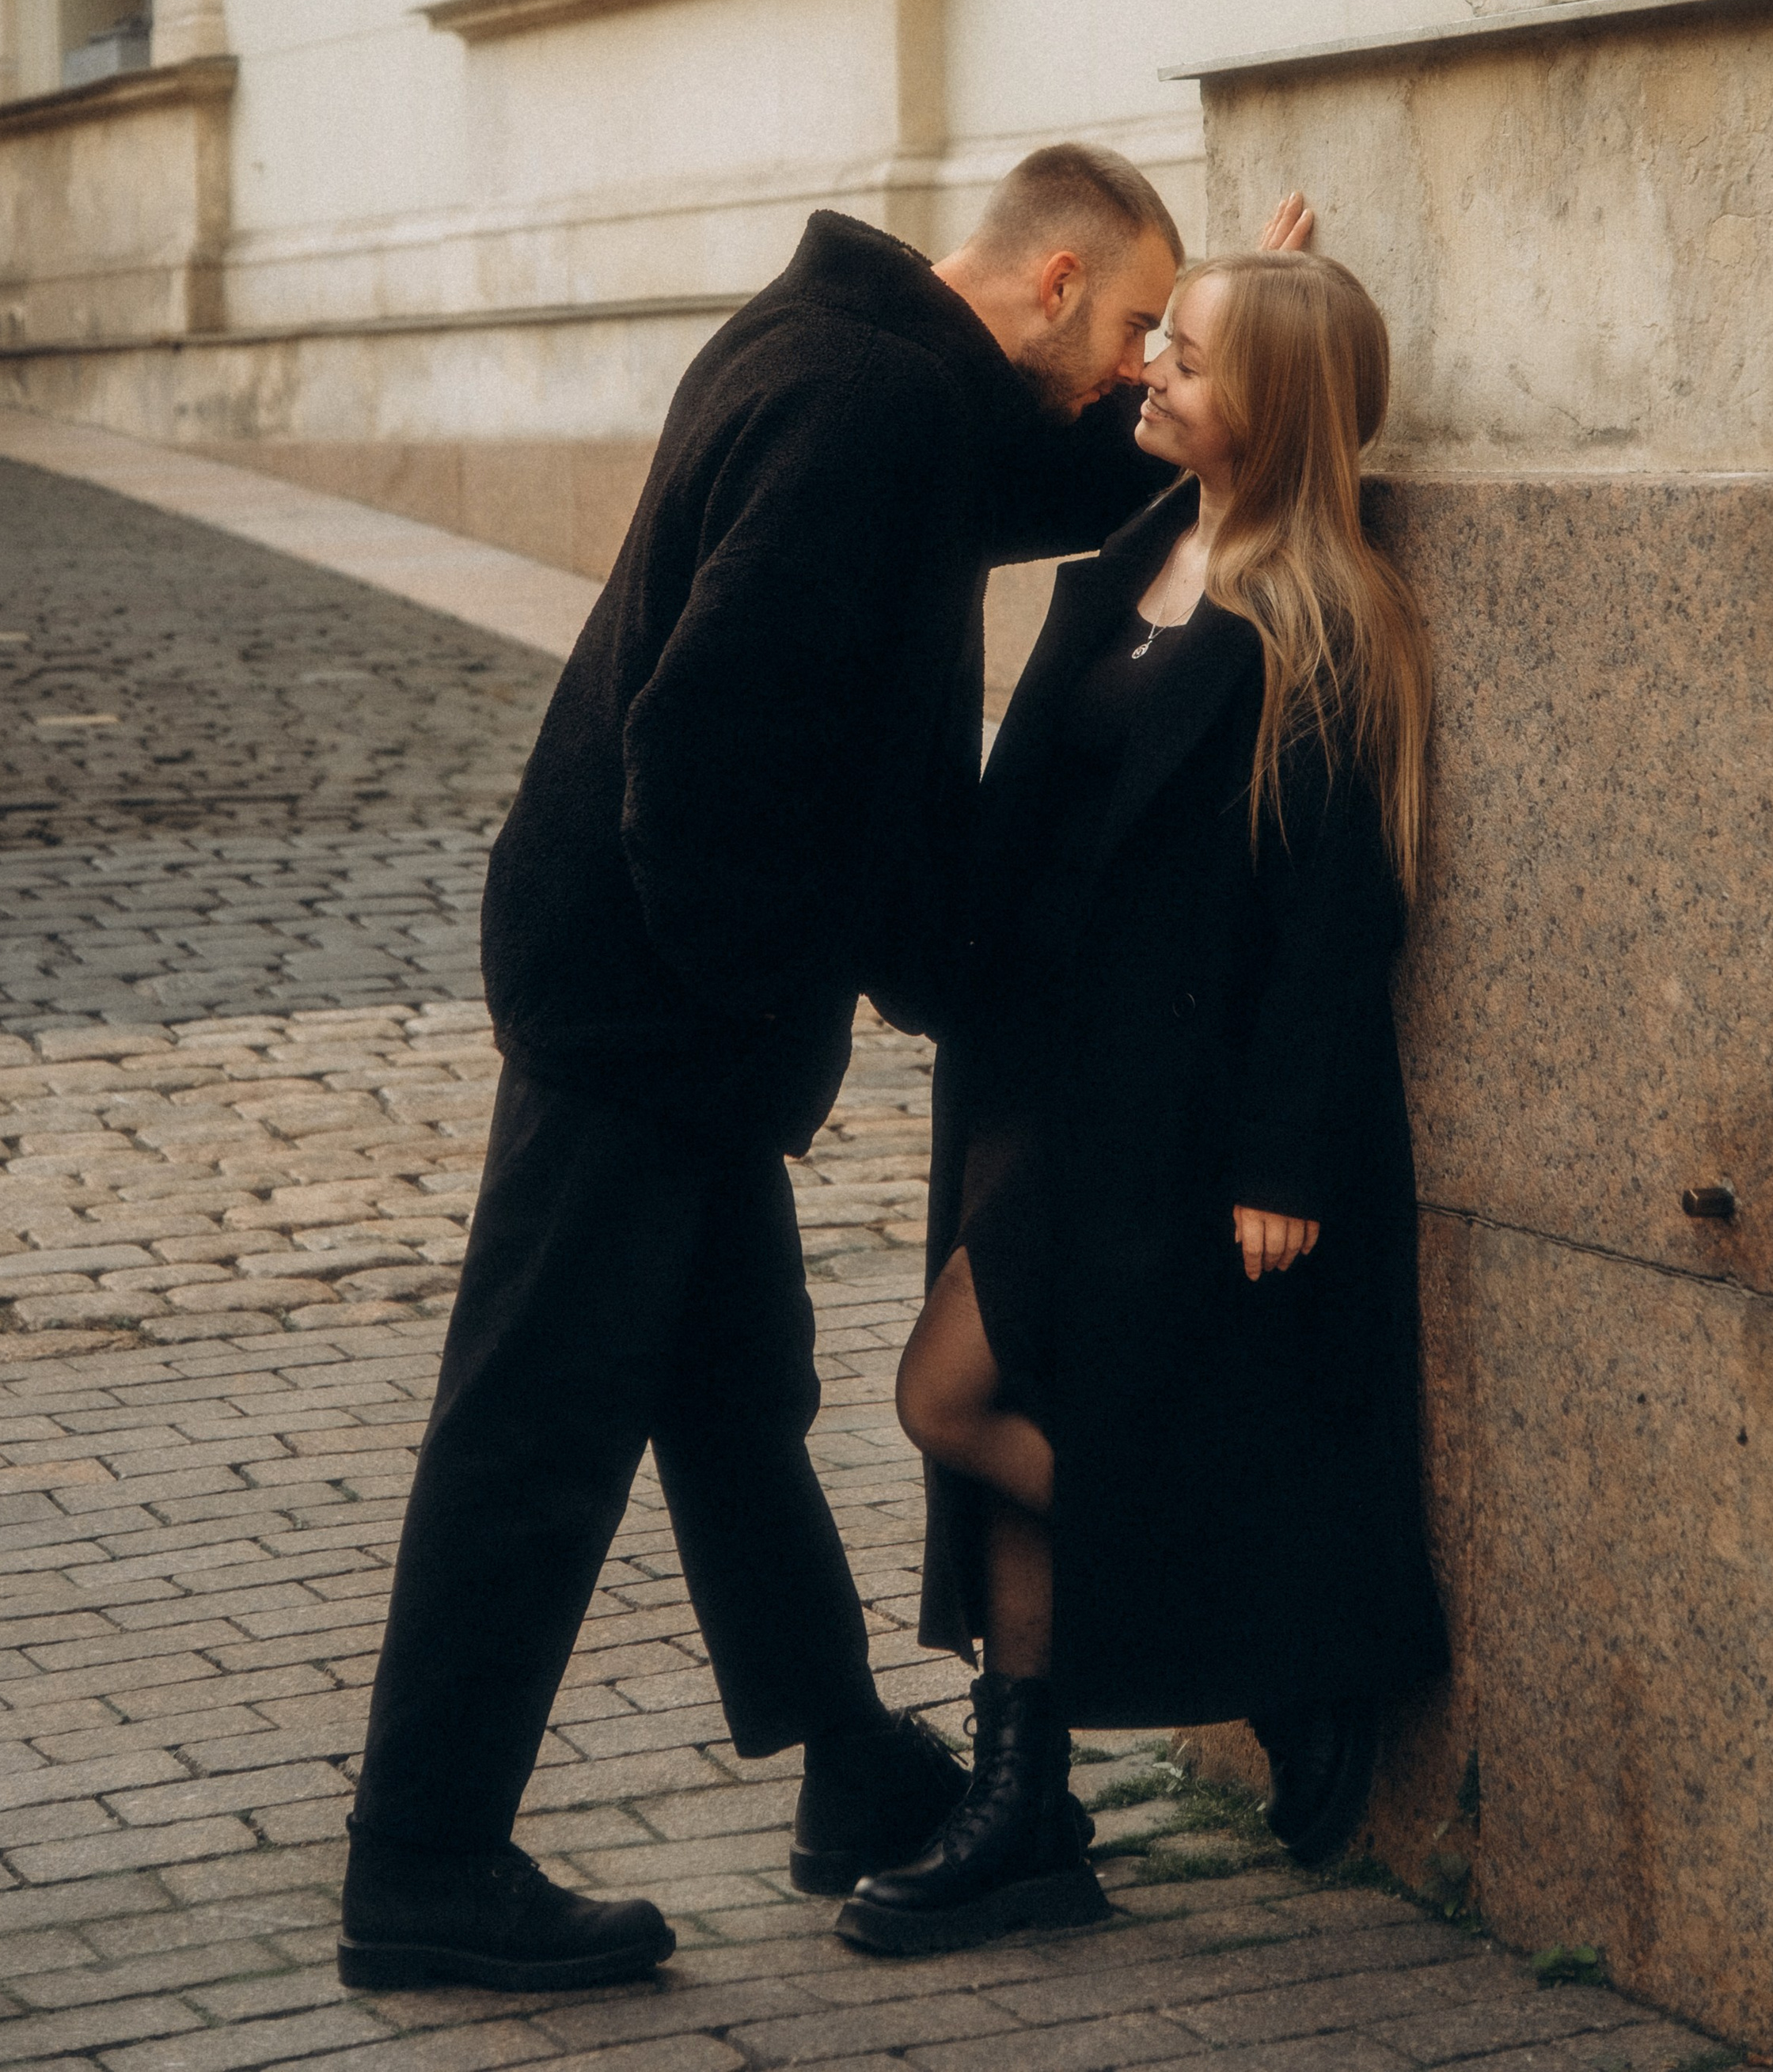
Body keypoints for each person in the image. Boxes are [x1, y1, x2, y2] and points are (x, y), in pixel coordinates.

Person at [341, 150, 1316, 1993]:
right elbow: (700, 750)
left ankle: (851, 1763)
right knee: (537, 1431)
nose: (1124, 378)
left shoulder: (867, 363)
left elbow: (1042, 472)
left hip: (649, 993)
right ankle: (422, 1862)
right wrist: (753, 1008)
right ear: (1044, 285)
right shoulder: (860, 408)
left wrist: (1228, 365)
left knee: (731, 1394)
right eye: (1122, 332)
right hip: (643, 1005)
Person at [839, 249, 1448, 1957]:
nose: (1144, 374)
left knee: (946, 1397)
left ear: (1271, 409)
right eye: (1154, 342)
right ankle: (1028, 1805)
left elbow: (1338, 921)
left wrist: (1281, 1153)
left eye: (1184, 358)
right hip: (1039, 1078)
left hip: (1173, 1117)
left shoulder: (1323, 616)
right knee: (980, 1400)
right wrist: (1246, 291)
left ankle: (1264, 1636)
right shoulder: (1140, 551)